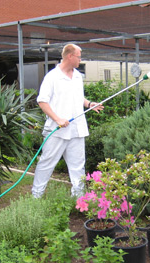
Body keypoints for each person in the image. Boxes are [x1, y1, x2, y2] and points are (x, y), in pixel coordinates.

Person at [32, 44, 103, 198]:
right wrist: (57, 119)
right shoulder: (52, 77)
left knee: (78, 167)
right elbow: (42, 101)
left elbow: (77, 97)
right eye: (79, 56)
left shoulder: (78, 76)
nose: (80, 59)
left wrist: (89, 104)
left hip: (77, 130)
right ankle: (35, 197)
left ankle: (79, 199)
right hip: (57, 131)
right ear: (70, 56)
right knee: (46, 164)